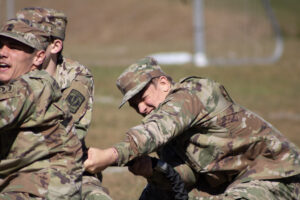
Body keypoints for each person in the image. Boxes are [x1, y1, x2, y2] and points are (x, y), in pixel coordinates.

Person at [84, 57, 300, 199]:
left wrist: (110, 155)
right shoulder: (168, 130)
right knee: (155, 194)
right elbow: (187, 177)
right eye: (134, 104)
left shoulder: (192, 94)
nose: (140, 107)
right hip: (233, 184)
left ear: (164, 84)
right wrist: (152, 169)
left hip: (275, 176)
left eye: (143, 97)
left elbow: (153, 131)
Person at [15, 7, 113, 200]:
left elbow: (64, 137)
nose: (18, 47)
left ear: (55, 45)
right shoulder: (9, 71)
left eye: (30, 39)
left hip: (66, 168)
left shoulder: (75, 77)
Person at [0, 18, 83, 199]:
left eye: (13, 47)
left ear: (38, 57)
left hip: (44, 186)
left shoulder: (35, 85)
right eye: (0, 45)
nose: (3, 52)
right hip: (17, 183)